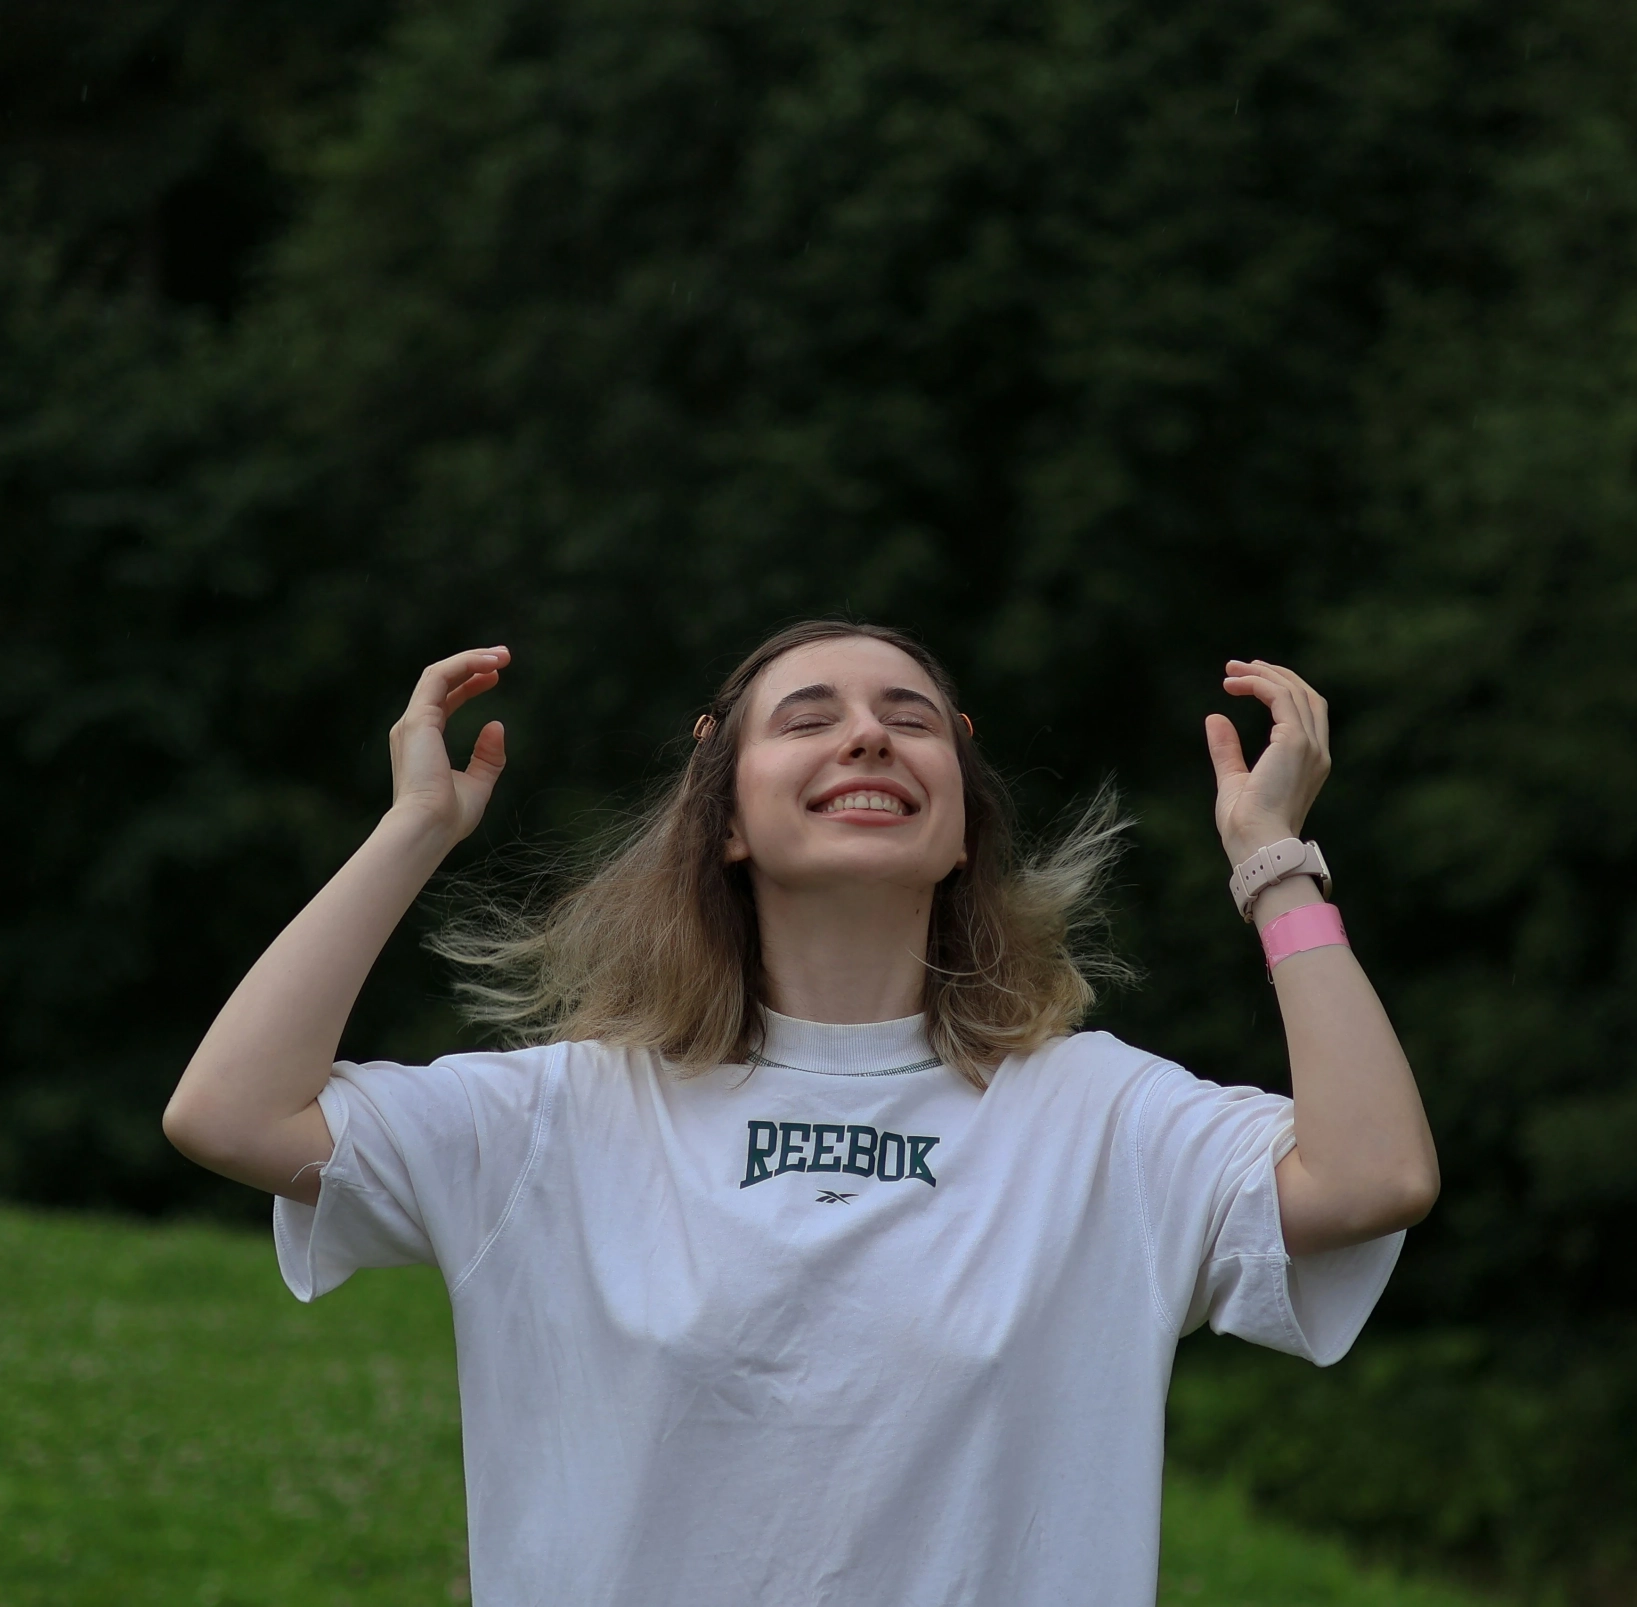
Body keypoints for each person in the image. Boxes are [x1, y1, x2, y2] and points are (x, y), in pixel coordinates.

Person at [162, 620, 1437, 1607]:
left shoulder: (1100, 1114)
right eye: (808, 718)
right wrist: (413, 828)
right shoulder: (557, 1114)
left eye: (911, 719)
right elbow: (231, 1112)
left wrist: (1272, 861)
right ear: (723, 816)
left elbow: (1371, 1176)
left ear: (960, 835)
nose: (869, 738)